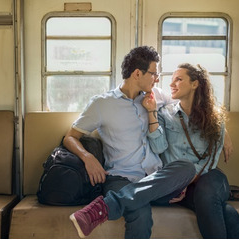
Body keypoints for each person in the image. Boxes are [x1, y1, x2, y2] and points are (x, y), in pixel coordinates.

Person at [63, 46, 196, 238]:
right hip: (120, 178)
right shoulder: (102, 104)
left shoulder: (157, 96)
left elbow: (189, 103)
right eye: (153, 74)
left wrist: (222, 131)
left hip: (154, 178)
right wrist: (87, 156)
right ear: (137, 73)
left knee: (186, 168)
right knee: (141, 215)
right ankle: (119, 201)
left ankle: (105, 207)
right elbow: (70, 137)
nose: (157, 79)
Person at [142, 63, 239, 238]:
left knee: (206, 193)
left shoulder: (215, 118)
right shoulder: (165, 114)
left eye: (179, 79)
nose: (172, 84)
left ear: (195, 84)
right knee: (227, 213)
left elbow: (210, 161)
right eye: (172, 80)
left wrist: (186, 181)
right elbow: (159, 147)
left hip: (209, 176)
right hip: (179, 182)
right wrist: (151, 113)